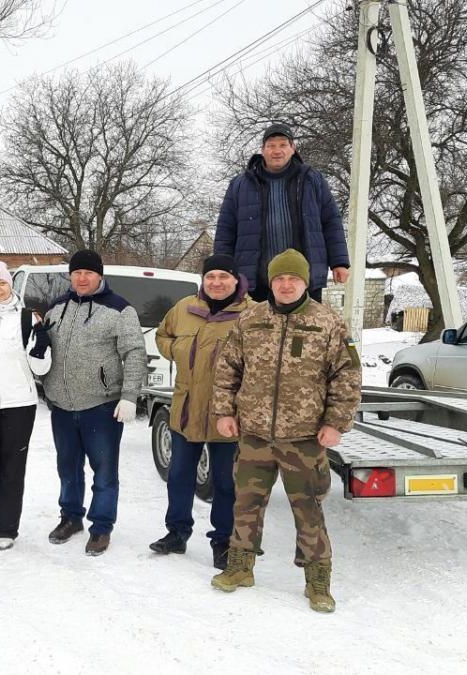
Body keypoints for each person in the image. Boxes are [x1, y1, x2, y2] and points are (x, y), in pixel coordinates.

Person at [209, 249, 362, 613]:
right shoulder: (251, 320)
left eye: (293, 278)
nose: (286, 284)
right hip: (255, 434)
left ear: (305, 282)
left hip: (305, 438)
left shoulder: (328, 323)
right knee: (245, 503)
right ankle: (240, 567)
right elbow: (227, 369)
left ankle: (317, 580)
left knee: (308, 509)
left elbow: (348, 376)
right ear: (271, 282)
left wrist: (335, 423)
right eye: (280, 278)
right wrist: (223, 412)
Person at [149, 254, 253, 569]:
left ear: (236, 280)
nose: (216, 282)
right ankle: (177, 533)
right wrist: (178, 350)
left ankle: (222, 540)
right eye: (211, 277)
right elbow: (162, 335)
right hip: (186, 409)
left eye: (223, 276)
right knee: (179, 476)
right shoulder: (184, 308)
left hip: (227, 416)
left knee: (225, 483)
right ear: (203, 280)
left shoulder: (251, 314)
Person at [42, 250, 146, 556]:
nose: (82, 278)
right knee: (68, 468)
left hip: (101, 407)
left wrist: (129, 396)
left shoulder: (119, 310)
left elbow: (135, 353)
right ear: (70, 276)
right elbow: (44, 346)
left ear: (99, 275)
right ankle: (70, 518)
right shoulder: (56, 307)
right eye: (76, 273)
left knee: (104, 472)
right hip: (61, 405)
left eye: (88, 273)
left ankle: (101, 527)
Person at [213, 123, 349, 302]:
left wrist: (339, 262)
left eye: (283, 145)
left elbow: (331, 221)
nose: (277, 150)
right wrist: (221, 268)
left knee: (305, 329)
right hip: (255, 281)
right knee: (256, 329)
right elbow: (226, 229)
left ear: (293, 148)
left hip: (304, 280)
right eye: (271, 145)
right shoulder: (240, 184)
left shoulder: (311, 179)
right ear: (262, 150)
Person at [0, 260, 52, 551]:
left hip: (19, 403)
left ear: (10, 285)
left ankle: (5, 527)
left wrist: (40, 344)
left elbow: (41, 369)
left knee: (12, 466)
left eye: (1, 282)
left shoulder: (27, 318)